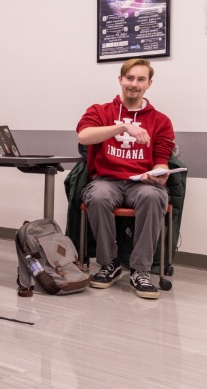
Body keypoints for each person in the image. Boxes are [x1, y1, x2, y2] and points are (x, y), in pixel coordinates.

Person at [77, 58, 175, 299]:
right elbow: (84, 136)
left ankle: (141, 271)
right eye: (129, 78)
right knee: (97, 197)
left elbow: (162, 158)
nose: (134, 84)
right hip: (106, 181)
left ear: (149, 84)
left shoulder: (160, 120)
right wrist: (122, 127)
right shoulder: (99, 111)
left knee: (153, 196)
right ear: (120, 79)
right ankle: (110, 264)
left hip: (141, 183)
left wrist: (160, 175)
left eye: (141, 79)